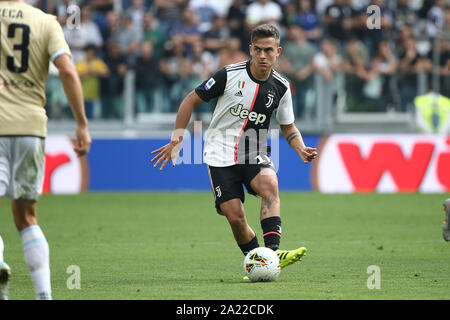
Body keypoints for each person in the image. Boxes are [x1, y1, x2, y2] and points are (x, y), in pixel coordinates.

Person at [151, 24, 317, 273]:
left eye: (268, 50)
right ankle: (257, 261)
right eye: (258, 50)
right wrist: (177, 139)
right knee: (235, 217)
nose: (262, 55)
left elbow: (288, 126)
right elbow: (190, 99)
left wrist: (300, 148)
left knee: (270, 185)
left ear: (278, 51)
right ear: (250, 49)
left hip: (253, 150)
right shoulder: (228, 75)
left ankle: (272, 255)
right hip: (219, 153)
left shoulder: (281, 87)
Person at [0, 0, 92, 300]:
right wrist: (81, 124)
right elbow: (66, 69)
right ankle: (43, 296)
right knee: (26, 217)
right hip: (30, 126)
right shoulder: (46, 21)